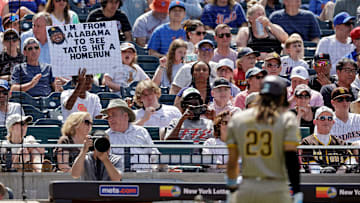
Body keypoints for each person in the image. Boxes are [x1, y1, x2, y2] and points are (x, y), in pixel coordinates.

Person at [226, 75, 303, 203]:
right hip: (276, 187)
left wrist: (231, 188)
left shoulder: (239, 119)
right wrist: (297, 190)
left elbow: (232, 161)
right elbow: (291, 159)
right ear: (281, 96)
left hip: (247, 187)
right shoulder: (286, 118)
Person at [102, 99, 159, 171]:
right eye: (108, 117)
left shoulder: (141, 131)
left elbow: (154, 153)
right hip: (118, 179)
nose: (110, 119)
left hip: (144, 177)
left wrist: (156, 167)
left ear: (125, 116)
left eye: (113, 115)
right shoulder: (106, 137)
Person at [301, 106, 355, 174]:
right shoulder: (307, 142)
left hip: (340, 180)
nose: (326, 121)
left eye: (329, 118)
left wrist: (343, 169)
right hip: (316, 181)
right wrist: (325, 173)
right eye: (322, 118)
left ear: (333, 122)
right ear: (315, 122)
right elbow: (312, 167)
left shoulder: (340, 142)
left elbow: (351, 161)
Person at [316, 12, 355, 76]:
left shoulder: (354, 43)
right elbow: (319, 65)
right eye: (347, 24)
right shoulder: (325, 42)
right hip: (330, 80)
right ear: (336, 27)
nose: (351, 27)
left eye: (352, 23)